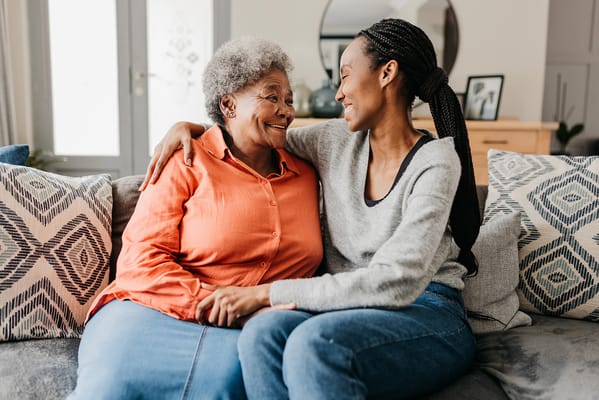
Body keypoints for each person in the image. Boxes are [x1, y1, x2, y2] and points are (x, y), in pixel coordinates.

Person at [144, 18, 481, 400]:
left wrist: (264, 294)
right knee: (260, 334)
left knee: (316, 344)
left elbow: (398, 280)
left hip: (428, 310)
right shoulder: (335, 141)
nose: (338, 93)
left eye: (346, 75)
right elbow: (255, 131)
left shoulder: (436, 161)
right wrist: (190, 126)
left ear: (387, 74)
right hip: (348, 310)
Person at [69, 37, 323, 400]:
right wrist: (222, 303)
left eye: (289, 100)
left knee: (229, 379)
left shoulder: (308, 172)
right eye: (271, 96)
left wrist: (252, 308)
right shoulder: (185, 160)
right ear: (229, 104)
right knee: (113, 386)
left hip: (255, 327)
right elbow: (141, 262)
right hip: (152, 309)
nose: (286, 110)